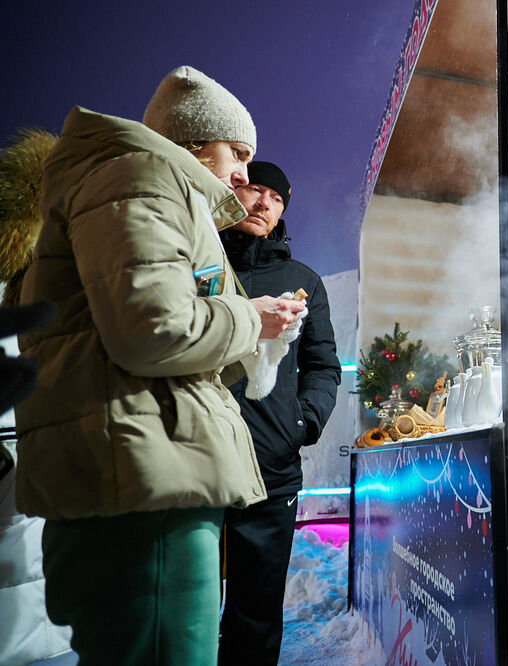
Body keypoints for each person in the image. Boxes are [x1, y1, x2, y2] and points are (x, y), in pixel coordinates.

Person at [14, 66, 305, 665]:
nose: (246, 175)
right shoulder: (142, 177)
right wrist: (249, 318)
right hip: (146, 483)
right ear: (195, 142)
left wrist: (258, 339)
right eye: (238, 152)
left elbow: (146, 332)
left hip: (141, 471)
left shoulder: (133, 183)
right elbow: (153, 330)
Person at [218, 161, 341, 665]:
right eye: (256, 189)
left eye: (277, 198)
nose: (265, 202)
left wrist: (304, 421)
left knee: (256, 603)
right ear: (233, 191)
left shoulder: (301, 280)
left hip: (271, 461)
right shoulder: (198, 263)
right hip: (194, 455)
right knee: (188, 598)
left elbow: (322, 364)